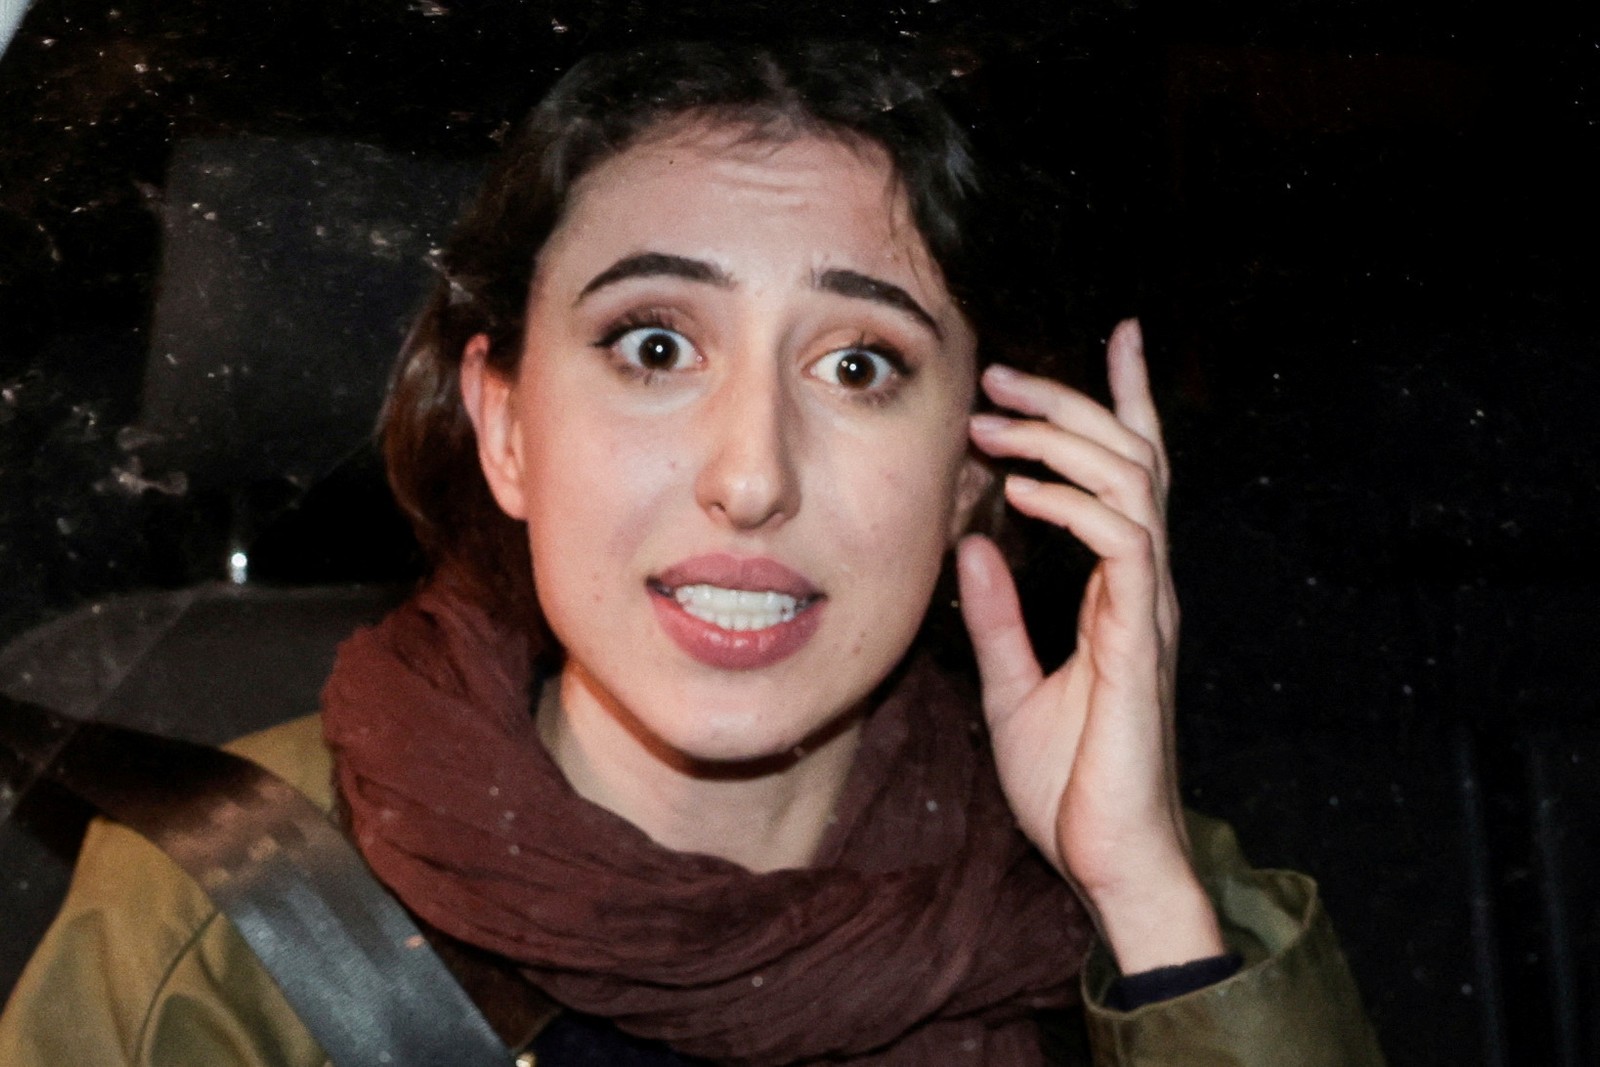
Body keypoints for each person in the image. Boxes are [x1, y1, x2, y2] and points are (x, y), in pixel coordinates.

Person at [0, 39, 1384, 1065]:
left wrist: (1143, 902)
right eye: (656, 347)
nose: (752, 478)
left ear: (974, 473)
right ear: (507, 429)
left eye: (858, 365)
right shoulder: (223, 917)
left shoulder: (1154, 906)